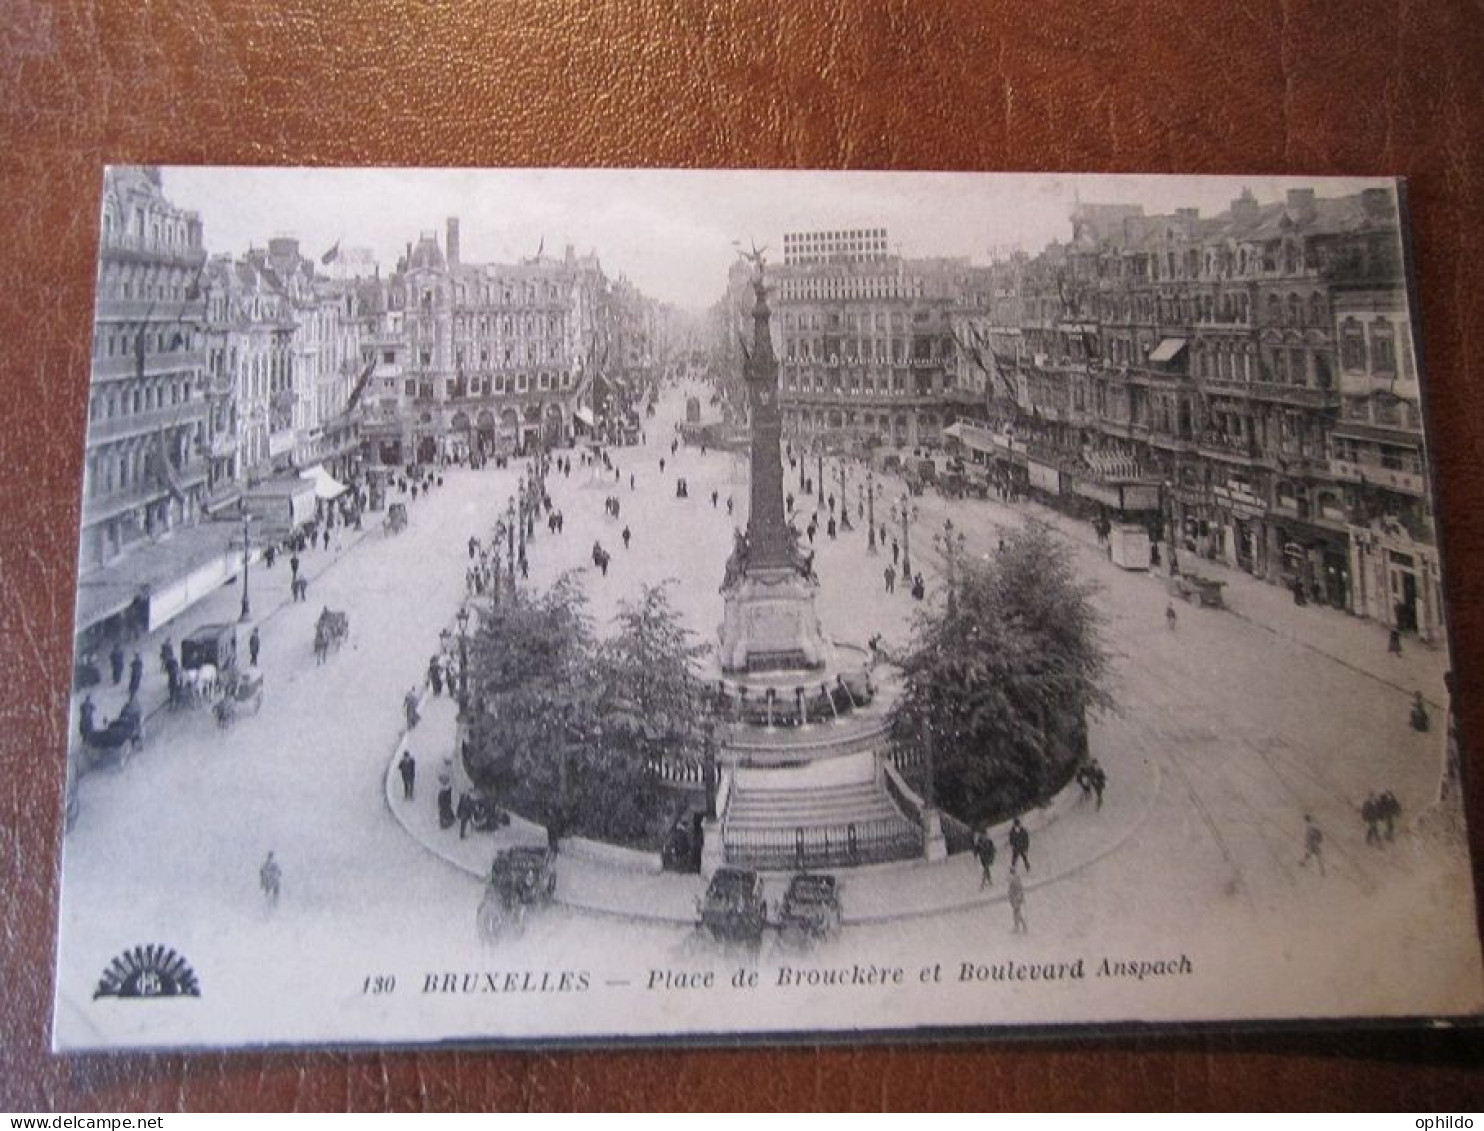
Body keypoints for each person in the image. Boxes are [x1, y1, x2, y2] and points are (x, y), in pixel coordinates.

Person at [1008, 868, 1027, 934]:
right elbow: (1020, 889)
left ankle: (1021, 926)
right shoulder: (1017, 878)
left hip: (1016, 899)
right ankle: (1018, 927)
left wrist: (1014, 897)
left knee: (1016, 914)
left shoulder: (1013, 880)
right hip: (1017, 898)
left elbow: (1014, 890)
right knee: (1016, 913)